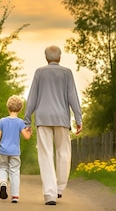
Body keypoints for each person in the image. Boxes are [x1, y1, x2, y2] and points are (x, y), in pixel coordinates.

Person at [24, 45, 83, 205]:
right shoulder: (67, 73)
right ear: (59, 57)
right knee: (64, 153)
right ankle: (59, 189)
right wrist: (78, 119)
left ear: (46, 58)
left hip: (43, 118)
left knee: (45, 155)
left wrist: (27, 120)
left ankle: (49, 194)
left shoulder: (39, 72)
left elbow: (32, 98)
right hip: (62, 119)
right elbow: (73, 97)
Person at [0, 95, 32, 204]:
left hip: (3, 151)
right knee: (14, 172)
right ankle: (15, 196)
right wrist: (29, 132)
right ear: (20, 109)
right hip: (15, 152)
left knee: (2, 168)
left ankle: (3, 184)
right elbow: (26, 137)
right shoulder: (20, 122)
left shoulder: (2, 121)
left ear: (8, 108)